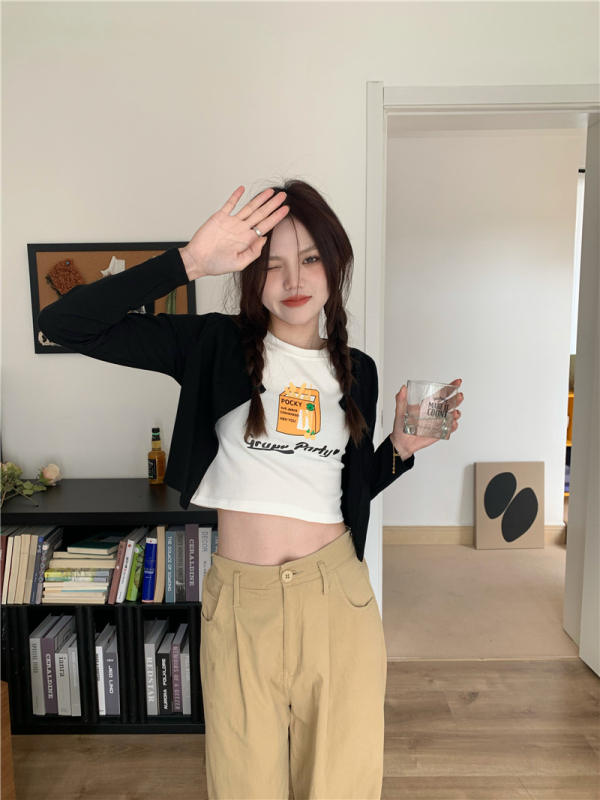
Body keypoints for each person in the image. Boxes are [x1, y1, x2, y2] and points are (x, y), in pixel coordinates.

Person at [38, 180, 463, 799]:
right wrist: (188, 261)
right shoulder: (213, 345)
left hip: (337, 599)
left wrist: (397, 448)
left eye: (310, 258)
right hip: (241, 603)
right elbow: (63, 323)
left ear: (335, 265)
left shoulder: (359, 371)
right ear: (249, 274)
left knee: (342, 786)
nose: (294, 279)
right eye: (273, 263)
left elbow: (346, 492)